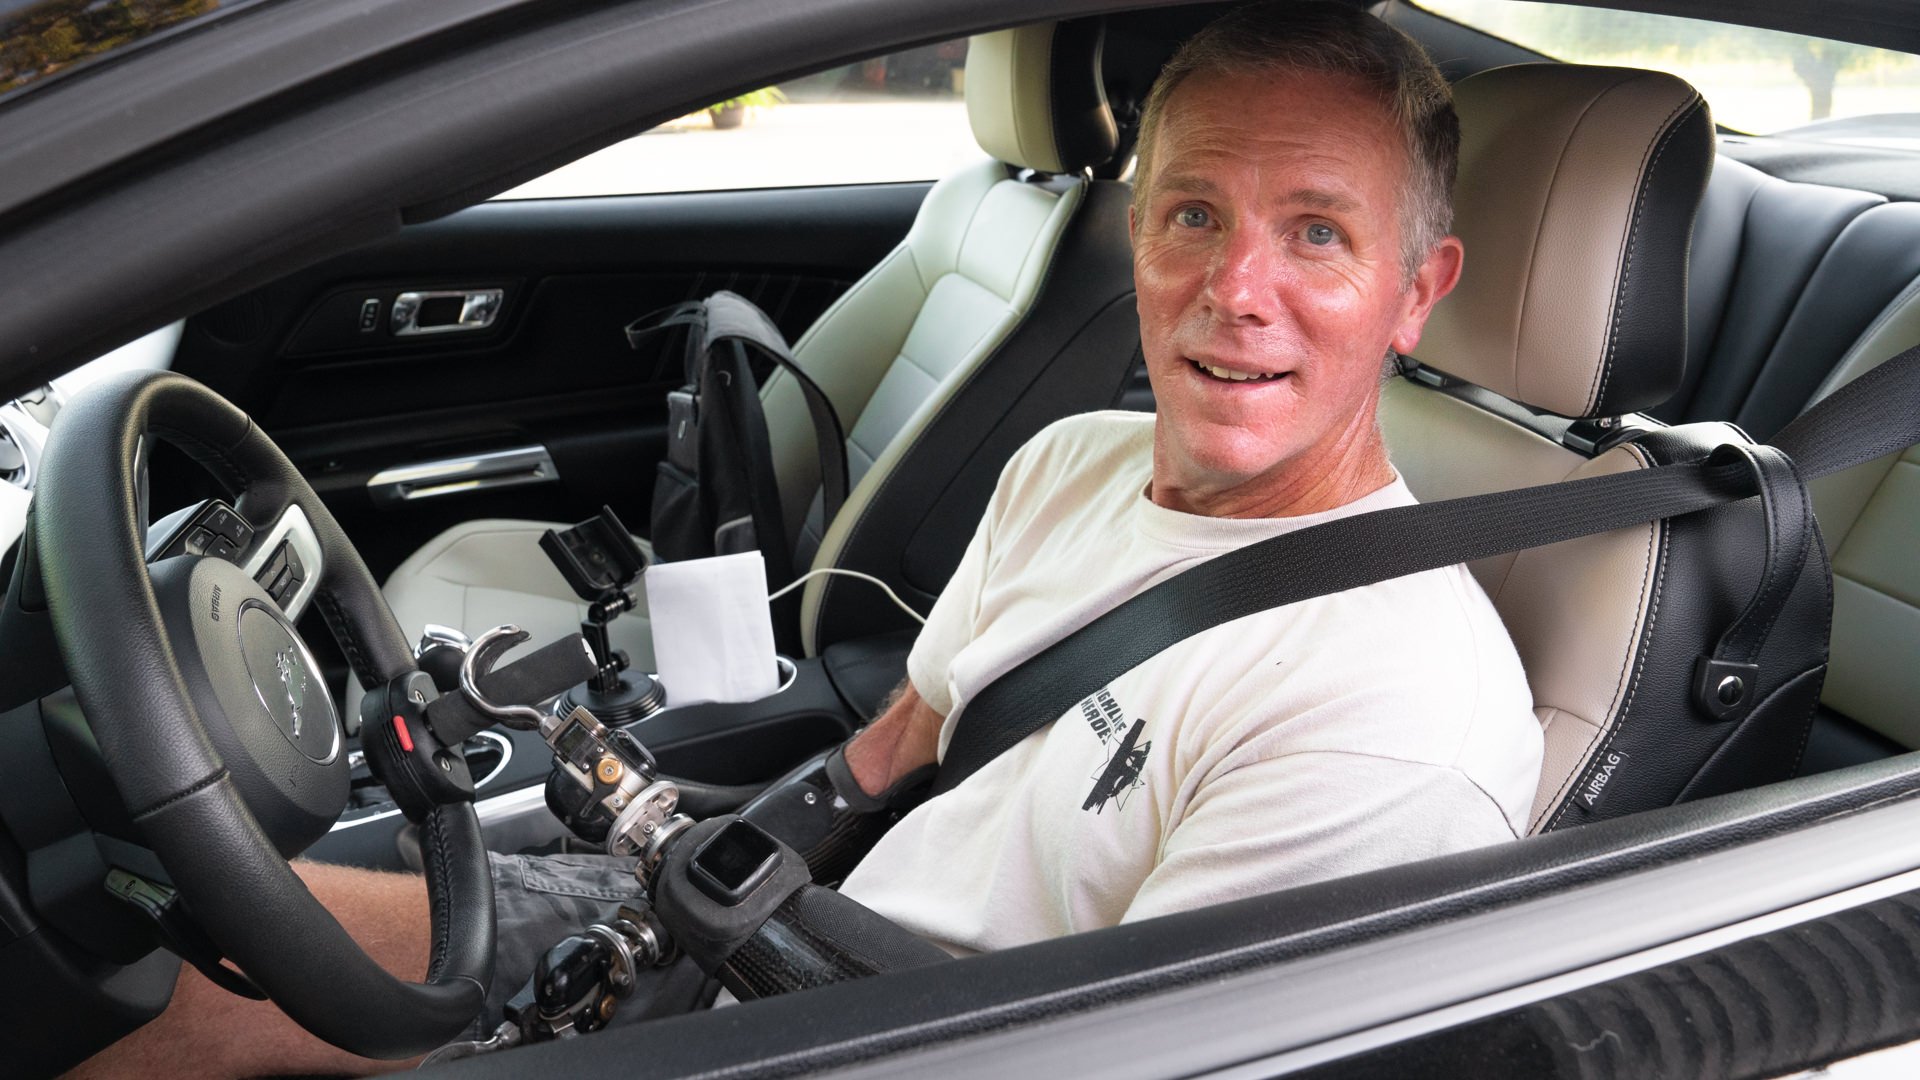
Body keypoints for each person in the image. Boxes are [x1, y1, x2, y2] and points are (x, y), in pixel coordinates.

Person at [71, 3, 1541, 1075]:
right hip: (760, 939)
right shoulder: (1073, 462)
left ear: (1420, 294)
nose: (1236, 289)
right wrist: (699, 851)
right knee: (174, 957)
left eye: (1319, 235)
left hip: (873, 1039)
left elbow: (1154, 1054)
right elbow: (909, 734)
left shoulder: (1399, 705)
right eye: (1194, 216)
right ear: (1134, 235)